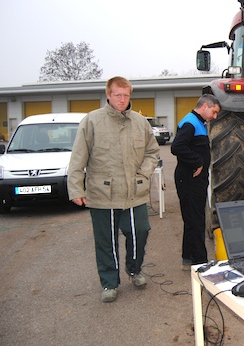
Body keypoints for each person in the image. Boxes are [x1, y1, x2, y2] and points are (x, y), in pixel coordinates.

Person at [68, 76, 160, 303]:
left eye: (126, 95)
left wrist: (145, 173)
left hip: (133, 193)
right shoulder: (91, 121)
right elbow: (78, 158)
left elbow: (152, 152)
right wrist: (76, 189)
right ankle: (109, 283)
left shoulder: (140, 122)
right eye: (117, 95)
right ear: (108, 95)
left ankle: (134, 269)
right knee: (105, 241)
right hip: (103, 194)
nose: (122, 99)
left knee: (140, 231)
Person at [171, 94, 221, 270]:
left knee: (192, 218)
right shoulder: (190, 123)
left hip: (194, 179)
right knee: (196, 220)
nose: (214, 117)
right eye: (214, 112)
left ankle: (188, 256)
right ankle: (200, 261)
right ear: (205, 106)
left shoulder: (197, 122)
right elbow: (177, 147)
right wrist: (197, 162)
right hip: (189, 179)